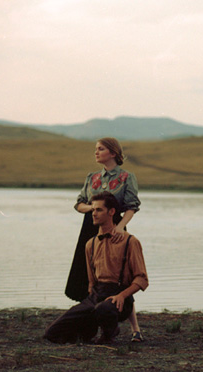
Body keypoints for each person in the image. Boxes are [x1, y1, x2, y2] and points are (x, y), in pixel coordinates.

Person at [65, 137, 144, 341]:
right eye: (96, 149)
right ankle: (89, 326)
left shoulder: (127, 177)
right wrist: (92, 208)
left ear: (113, 153)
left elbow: (131, 207)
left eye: (100, 149)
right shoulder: (91, 178)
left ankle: (136, 329)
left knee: (120, 277)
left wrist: (119, 227)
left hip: (115, 228)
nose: (96, 152)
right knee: (88, 276)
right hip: (89, 229)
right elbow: (79, 204)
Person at [45, 192, 149, 344]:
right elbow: (92, 282)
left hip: (120, 299)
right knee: (52, 333)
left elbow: (142, 279)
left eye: (99, 210)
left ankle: (110, 332)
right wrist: (87, 305)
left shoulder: (130, 242)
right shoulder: (90, 244)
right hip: (96, 296)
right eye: (93, 210)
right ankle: (89, 329)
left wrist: (122, 296)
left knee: (104, 309)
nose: (94, 213)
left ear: (111, 212)